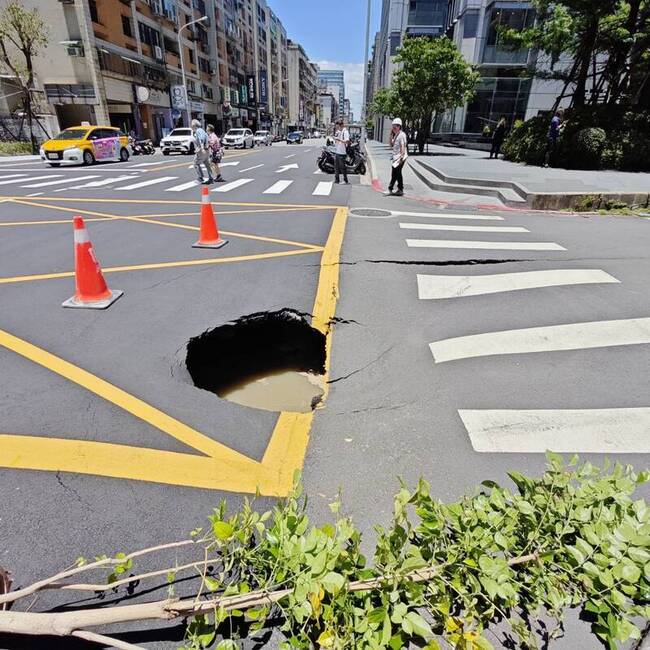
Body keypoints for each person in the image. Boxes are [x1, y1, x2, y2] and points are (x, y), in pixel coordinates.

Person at [387, 117, 407, 197]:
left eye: (395, 127)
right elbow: (391, 145)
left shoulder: (402, 135)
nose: (394, 128)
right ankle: (399, 189)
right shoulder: (396, 135)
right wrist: (391, 135)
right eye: (393, 127)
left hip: (400, 157)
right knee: (397, 173)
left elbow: (403, 145)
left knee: (396, 173)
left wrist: (401, 156)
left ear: (399, 126)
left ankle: (391, 188)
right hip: (395, 157)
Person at [190, 119, 214, 185]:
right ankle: (211, 178)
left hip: (202, 150)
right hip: (207, 150)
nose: (191, 127)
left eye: (191, 125)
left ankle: (200, 177)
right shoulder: (202, 130)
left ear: (194, 125)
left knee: (196, 163)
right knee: (207, 164)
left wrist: (202, 148)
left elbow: (201, 139)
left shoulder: (198, 130)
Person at [333, 119, 349, 184]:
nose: (337, 128)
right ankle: (337, 180)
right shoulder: (339, 132)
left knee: (343, 168)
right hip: (337, 152)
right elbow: (336, 140)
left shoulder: (345, 132)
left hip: (342, 153)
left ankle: (345, 180)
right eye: (337, 127)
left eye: (338, 126)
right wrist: (335, 137)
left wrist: (339, 139)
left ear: (341, 125)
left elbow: (347, 141)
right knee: (336, 167)